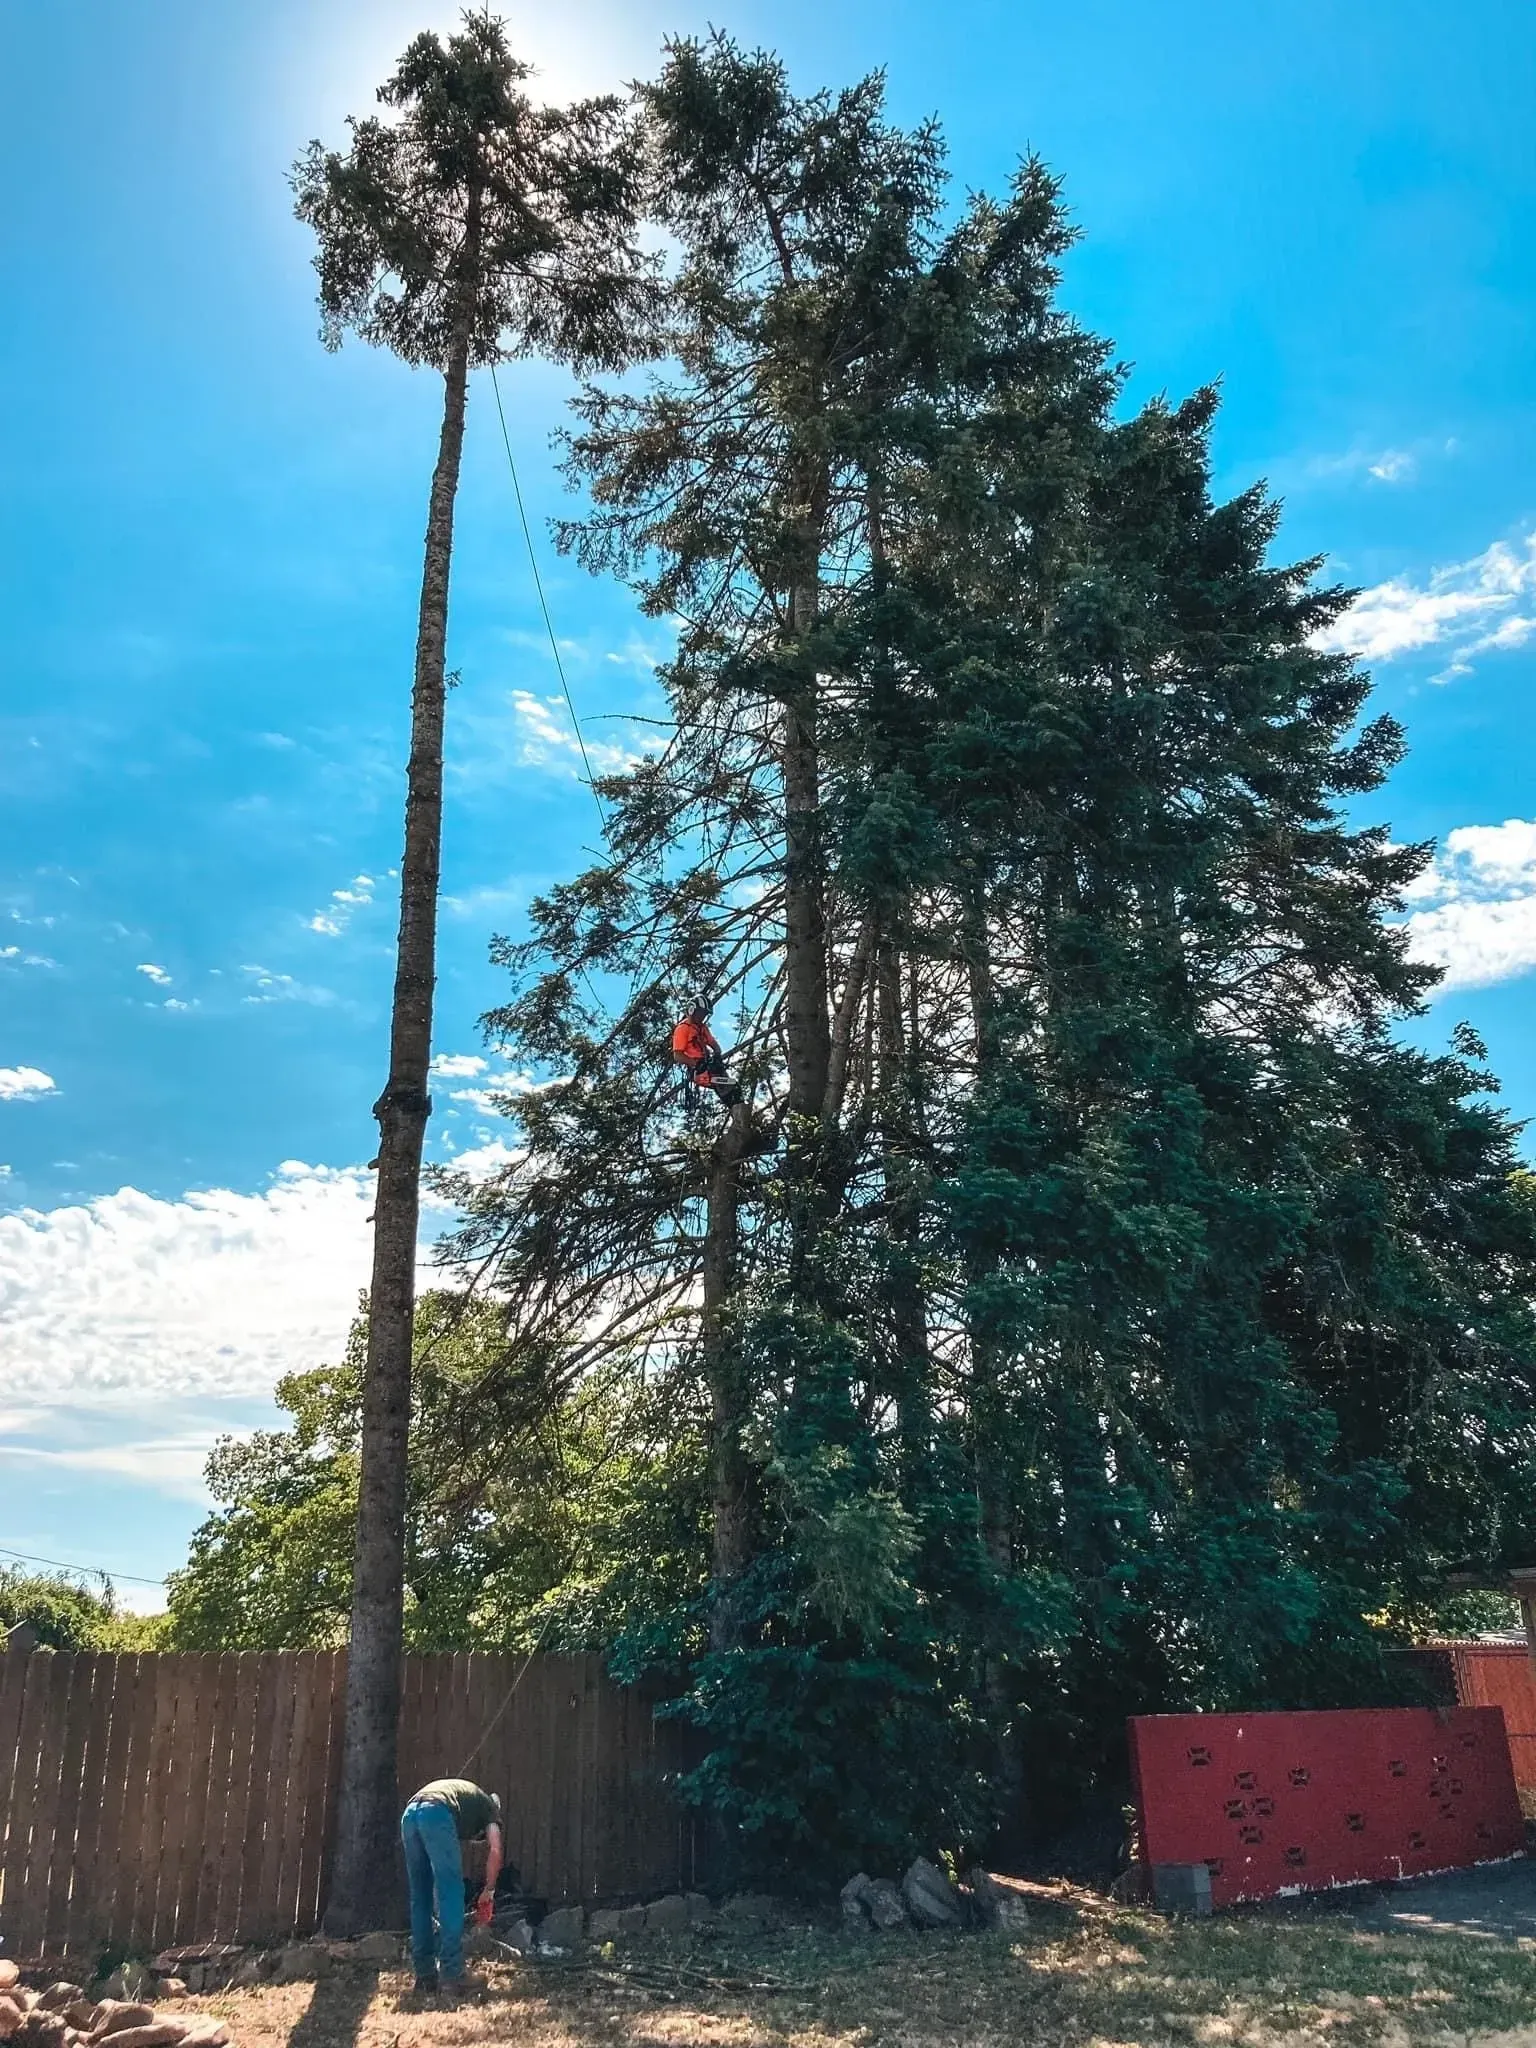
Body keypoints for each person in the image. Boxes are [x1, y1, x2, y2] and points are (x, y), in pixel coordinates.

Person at [399, 1777, 503, 1994]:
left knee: (421, 1897)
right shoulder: (489, 1810)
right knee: (452, 1893)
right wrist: (489, 1889)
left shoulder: (465, 1798)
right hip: (437, 1813)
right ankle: (453, 1973)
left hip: (410, 1814)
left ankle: (425, 1975)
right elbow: (495, 1850)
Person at [671, 999, 743, 1107]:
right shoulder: (682, 1029)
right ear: (692, 1010)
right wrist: (696, 1064)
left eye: (705, 1014)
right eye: (701, 1013)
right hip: (698, 1070)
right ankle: (737, 1111)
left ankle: (738, 1111)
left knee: (734, 1088)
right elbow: (677, 1055)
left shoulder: (702, 1028)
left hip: (709, 1066)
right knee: (730, 1091)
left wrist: (717, 1055)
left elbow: (714, 1044)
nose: (702, 1017)